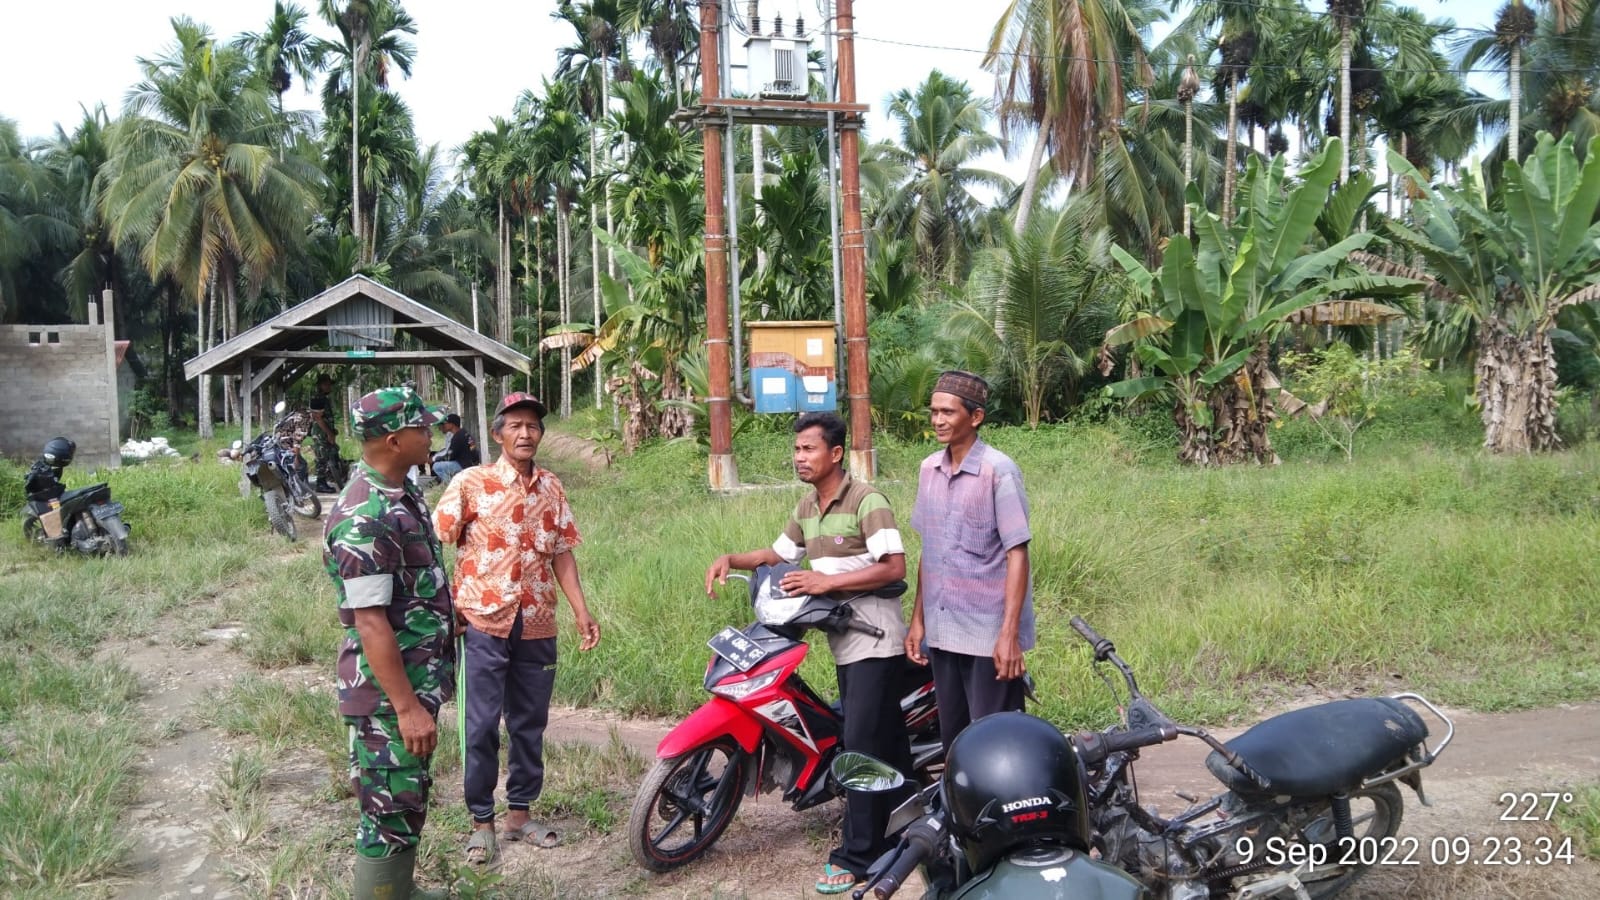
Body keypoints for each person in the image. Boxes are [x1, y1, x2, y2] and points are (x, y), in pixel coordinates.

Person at [705, 411, 911, 895]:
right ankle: (905, 819)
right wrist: (732, 559)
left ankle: (859, 855)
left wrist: (828, 581)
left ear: (835, 453)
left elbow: (894, 566)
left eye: (809, 449)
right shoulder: (807, 507)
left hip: (875, 637)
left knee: (859, 743)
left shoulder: (867, 501)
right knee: (884, 737)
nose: (799, 457)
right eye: (797, 449)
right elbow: (778, 556)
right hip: (844, 638)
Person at [433, 392, 601, 865]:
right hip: (482, 622)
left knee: (530, 724)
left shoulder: (551, 487)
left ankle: (520, 814)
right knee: (482, 724)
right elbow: (434, 542)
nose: (526, 433)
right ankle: (481, 821)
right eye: (516, 425)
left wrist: (580, 611)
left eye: (533, 426)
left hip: (537, 621)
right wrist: (450, 606)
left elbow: (562, 552)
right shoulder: (472, 483)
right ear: (498, 433)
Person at [322, 386, 454, 900]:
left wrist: (446, 616)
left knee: (406, 796)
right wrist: (406, 709)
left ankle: (401, 891)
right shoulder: (365, 515)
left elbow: (407, 589)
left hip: (413, 678)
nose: (432, 434)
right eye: (424, 428)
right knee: (388, 807)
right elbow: (371, 622)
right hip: (385, 696)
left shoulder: (402, 491)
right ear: (396, 440)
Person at [906, 371, 1035, 752]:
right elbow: (929, 551)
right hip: (943, 631)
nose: (938, 421)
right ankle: (959, 811)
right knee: (955, 741)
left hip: (987, 636)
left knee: (996, 742)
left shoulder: (999, 471)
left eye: (948, 412)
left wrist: (1009, 635)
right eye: (934, 412)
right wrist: (918, 622)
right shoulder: (928, 469)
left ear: (975, 417)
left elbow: (1017, 554)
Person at [309, 374, 343, 492]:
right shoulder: (317, 398)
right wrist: (329, 433)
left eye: (329, 385)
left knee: (332, 452)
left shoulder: (323, 398)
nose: (329, 387)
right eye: (326, 385)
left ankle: (334, 476)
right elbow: (318, 418)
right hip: (320, 433)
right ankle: (321, 483)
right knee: (321, 457)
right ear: (320, 385)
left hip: (325, 432)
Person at [430, 414, 480, 485]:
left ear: (451, 424)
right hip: (471, 463)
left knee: (436, 466)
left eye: (445, 424)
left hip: (464, 465)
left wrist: (435, 459)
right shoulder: (464, 433)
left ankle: (451, 485)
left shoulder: (457, 437)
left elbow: (450, 457)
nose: (443, 426)